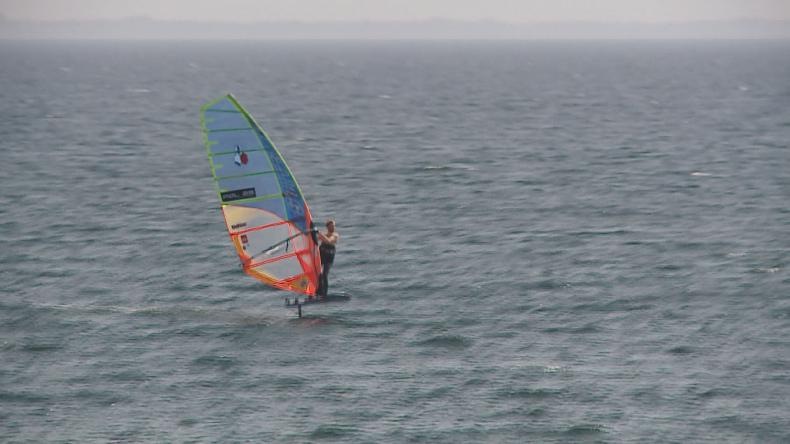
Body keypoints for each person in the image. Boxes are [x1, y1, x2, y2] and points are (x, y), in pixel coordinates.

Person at [316, 219, 339, 298]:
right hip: (322, 255)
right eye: (331, 226)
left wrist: (319, 234)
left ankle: (324, 294)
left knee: (325, 274)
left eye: (333, 226)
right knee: (318, 274)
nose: (332, 228)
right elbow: (315, 239)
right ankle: (318, 292)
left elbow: (329, 241)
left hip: (329, 258)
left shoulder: (335, 235)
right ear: (327, 227)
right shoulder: (324, 235)